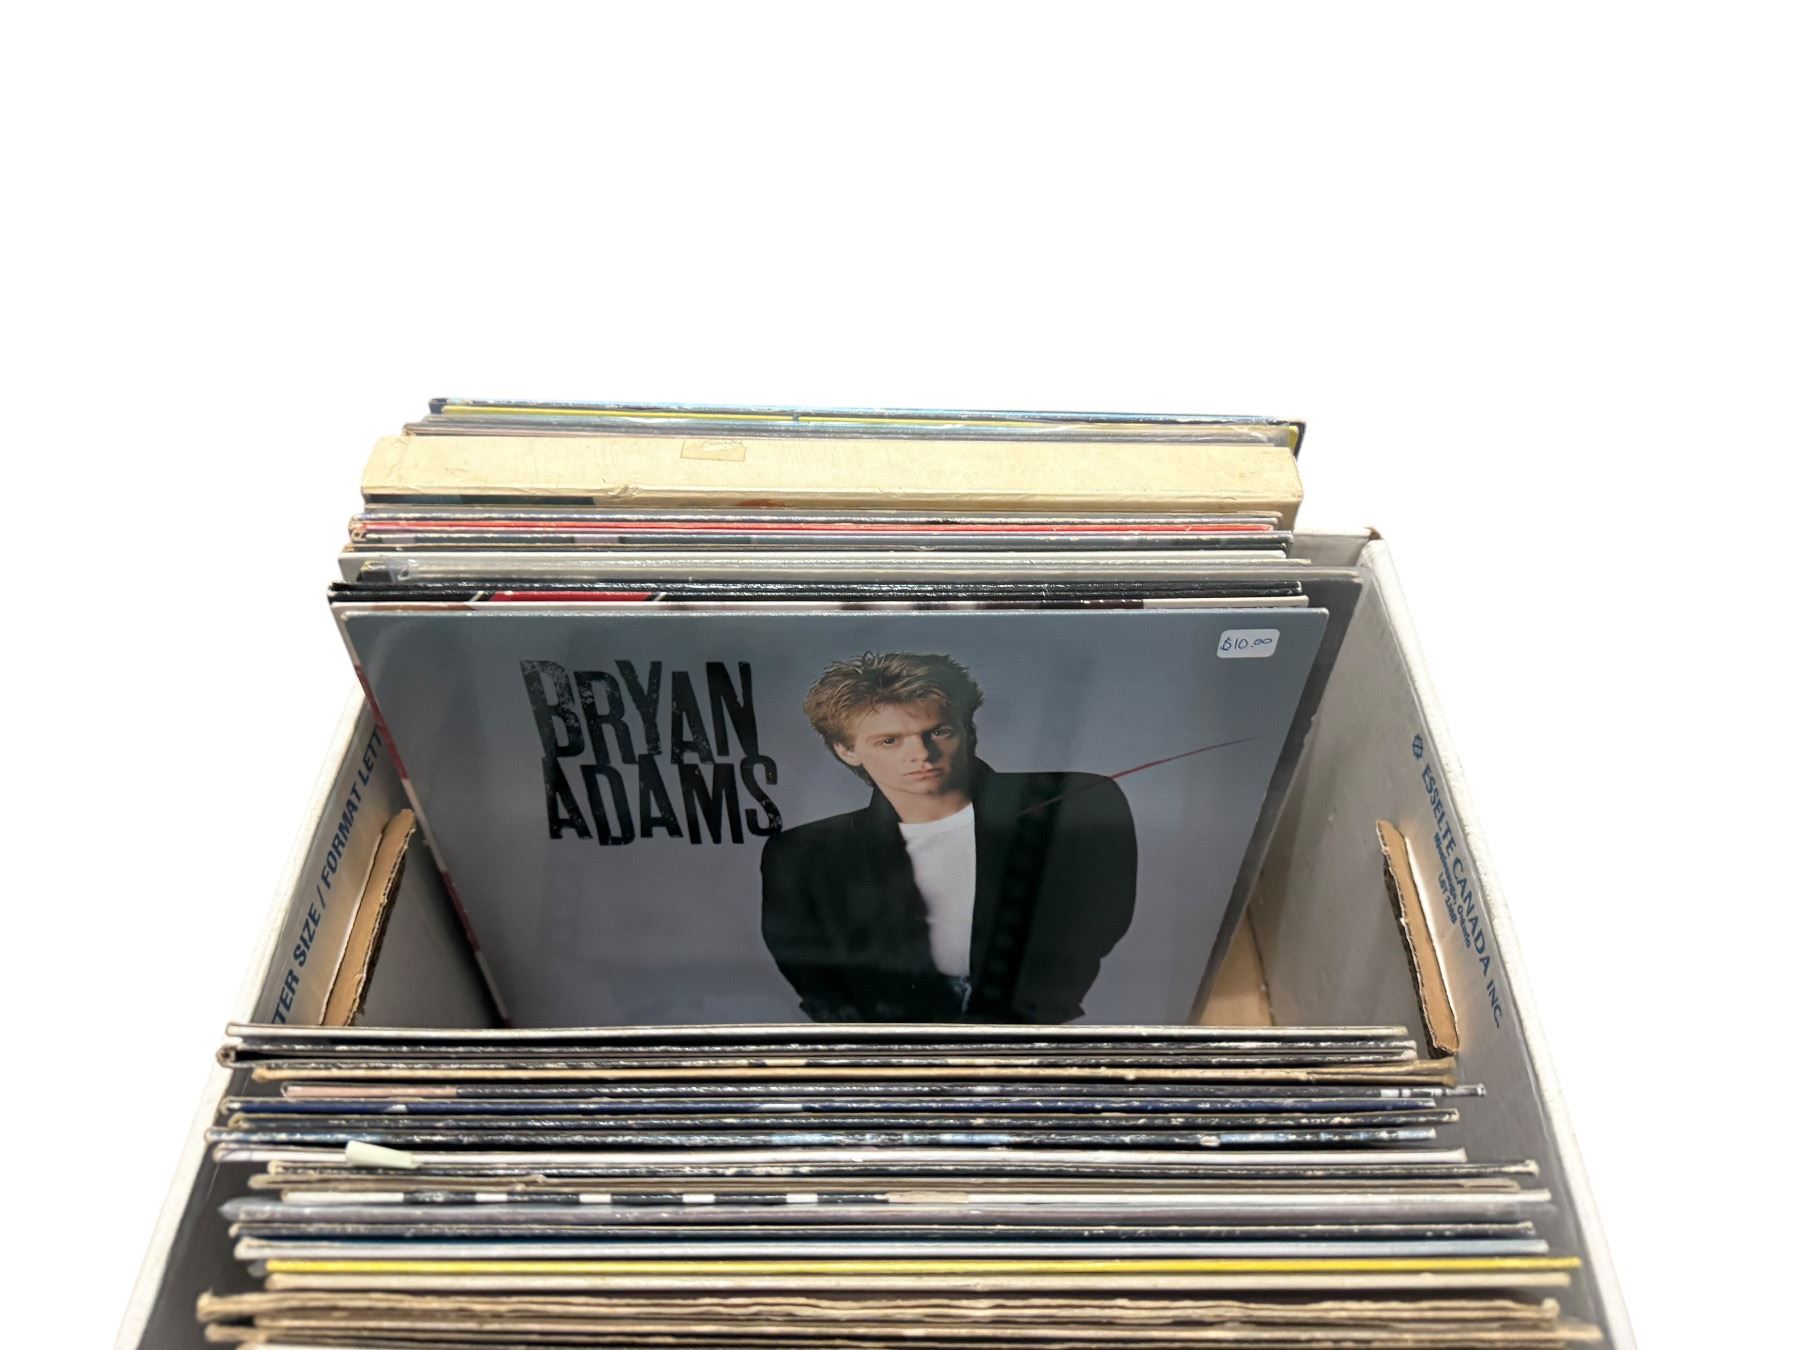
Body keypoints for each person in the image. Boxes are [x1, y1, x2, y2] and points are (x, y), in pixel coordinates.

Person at [760, 651, 1136, 1022]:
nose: (921, 754)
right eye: (889, 741)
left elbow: (1098, 920)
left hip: (1037, 1029)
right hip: (889, 1043)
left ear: (968, 731)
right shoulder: (802, 853)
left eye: (938, 732)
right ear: (846, 750)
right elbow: (808, 969)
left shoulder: (1074, 801)